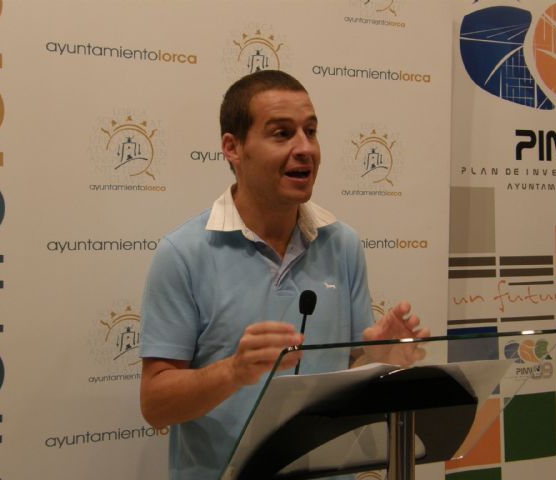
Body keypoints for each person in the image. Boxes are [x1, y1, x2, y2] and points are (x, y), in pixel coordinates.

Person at [139, 70, 429, 479]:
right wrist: (232, 372)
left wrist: (378, 359)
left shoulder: (342, 243)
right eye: (282, 134)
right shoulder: (183, 253)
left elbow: (347, 368)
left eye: (311, 131)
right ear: (233, 148)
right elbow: (155, 404)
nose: (305, 148)